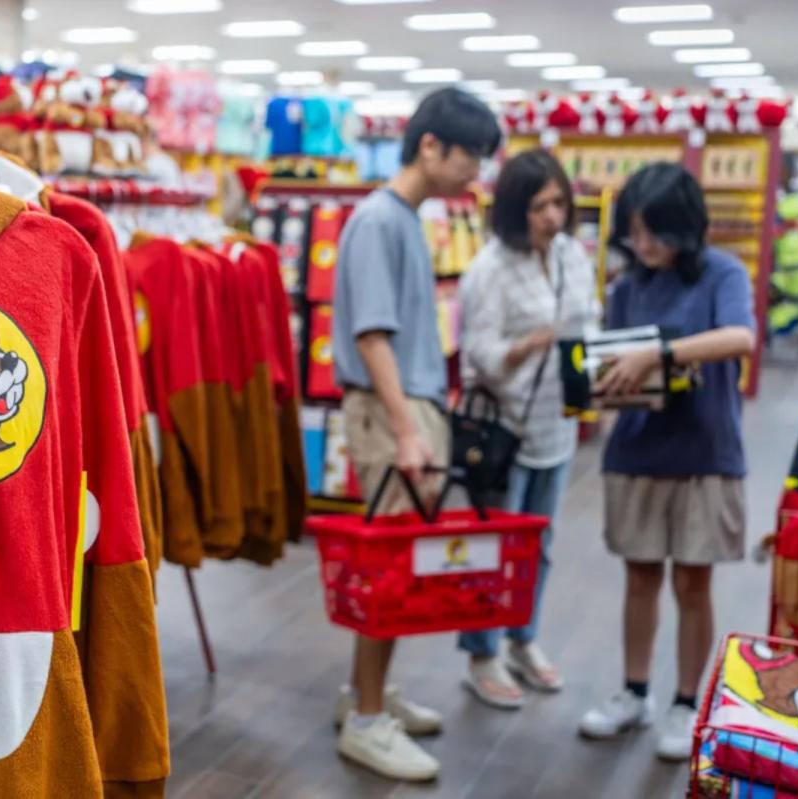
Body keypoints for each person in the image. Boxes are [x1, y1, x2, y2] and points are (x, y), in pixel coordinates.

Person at [330, 87, 501, 781]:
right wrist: (407, 429)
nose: (476, 172)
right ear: (430, 145)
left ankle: (366, 695)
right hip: (390, 409)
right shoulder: (379, 220)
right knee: (391, 565)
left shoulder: (400, 217)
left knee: (397, 560)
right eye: (470, 156)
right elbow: (372, 336)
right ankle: (368, 719)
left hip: (406, 405)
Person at [577, 163, 755, 761]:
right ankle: (633, 693)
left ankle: (685, 702)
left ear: (684, 225)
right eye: (634, 231)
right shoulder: (629, 287)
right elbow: (612, 361)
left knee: (693, 583)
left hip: (706, 453)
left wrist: (659, 354)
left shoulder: (723, 273)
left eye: (654, 230)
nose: (643, 243)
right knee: (641, 576)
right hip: (638, 450)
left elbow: (740, 338)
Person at [456, 149, 599, 708]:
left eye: (559, 203)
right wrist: (525, 346)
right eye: (540, 206)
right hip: (503, 429)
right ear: (516, 209)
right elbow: (479, 353)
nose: (552, 217)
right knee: (493, 545)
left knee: (540, 544)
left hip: (555, 424)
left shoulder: (571, 256)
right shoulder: (490, 268)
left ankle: (523, 638)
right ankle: (481, 653)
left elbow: (588, 321)